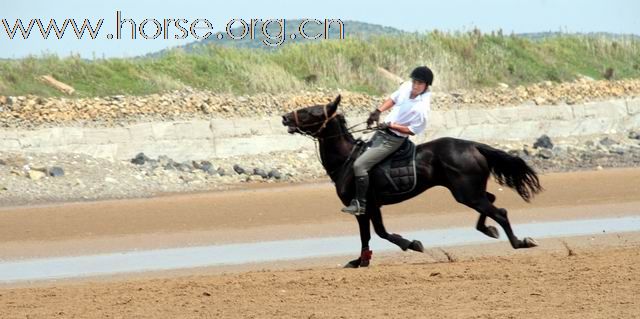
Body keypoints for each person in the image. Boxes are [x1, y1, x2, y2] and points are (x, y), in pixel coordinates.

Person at [341, 66, 434, 215]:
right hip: (383, 132)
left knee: (360, 165)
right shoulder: (406, 88)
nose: (416, 86)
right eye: (415, 82)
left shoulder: (422, 108)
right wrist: (378, 111)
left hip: (393, 140)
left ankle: (360, 204)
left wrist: (392, 125)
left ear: (426, 86)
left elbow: (413, 130)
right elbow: (393, 99)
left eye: (420, 83)